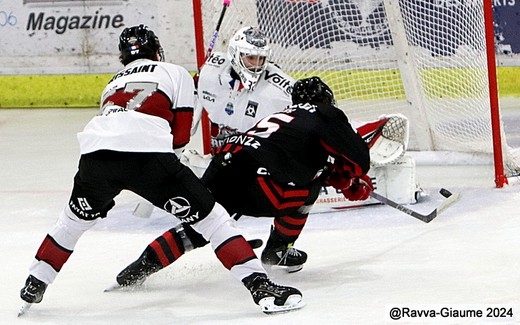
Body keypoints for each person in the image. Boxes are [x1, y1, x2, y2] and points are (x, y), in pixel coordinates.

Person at [18, 24, 303, 315]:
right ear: (157, 51)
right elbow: (180, 136)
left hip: (94, 157)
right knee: (214, 220)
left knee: (71, 222)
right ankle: (261, 288)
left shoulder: (112, 83)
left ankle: (35, 282)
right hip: (148, 156)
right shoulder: (173, 72)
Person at [115, 77, 373, 289]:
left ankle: (138, 269)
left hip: (225, 164)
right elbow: (359, 160)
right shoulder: (326, 114)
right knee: (308, 189)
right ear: (325, 100)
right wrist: (350, 180)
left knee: (203, 225)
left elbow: (294, 158)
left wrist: (337, 176)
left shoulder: (283, 118)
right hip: (260, 181)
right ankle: (278, 250)